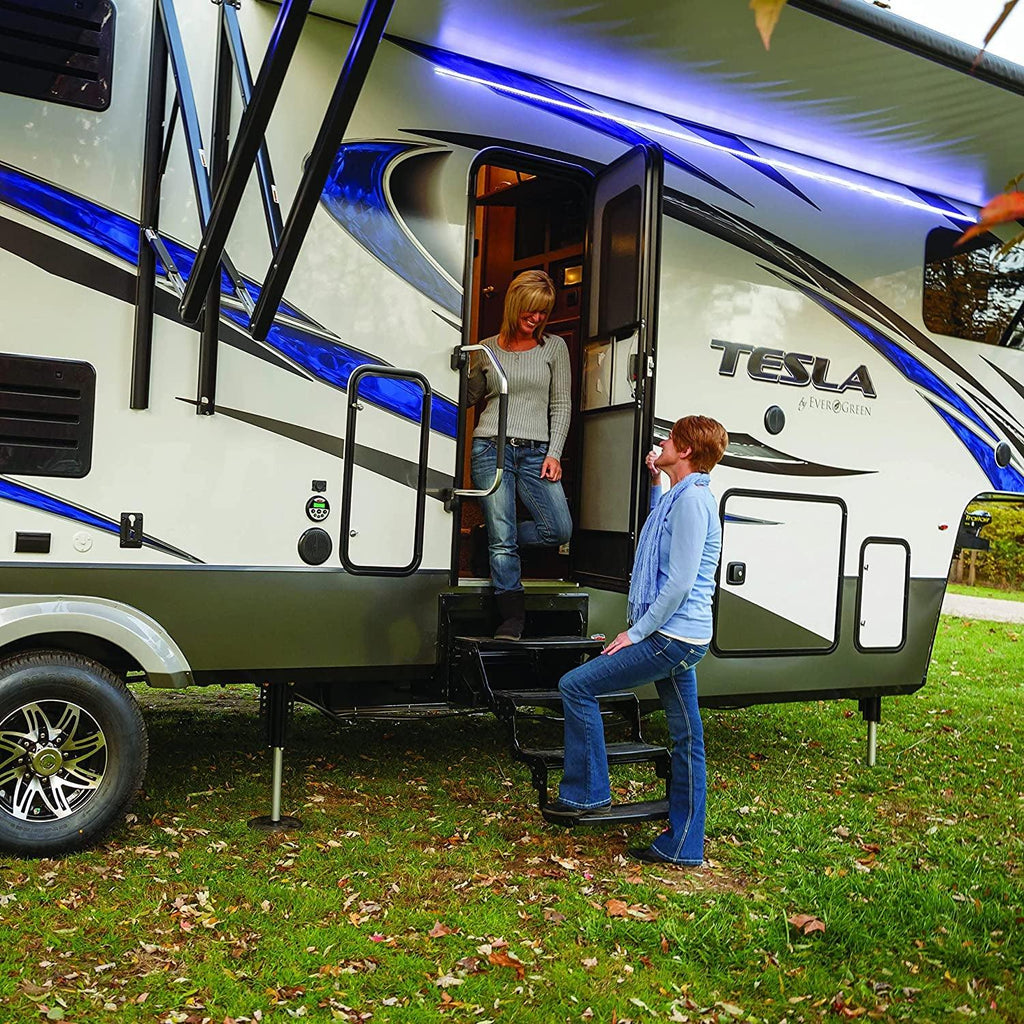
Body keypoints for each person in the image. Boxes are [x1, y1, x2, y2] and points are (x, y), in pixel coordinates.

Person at [544, 415, 729, 866]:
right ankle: (684, 845)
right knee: (688, 738)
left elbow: (679, 581)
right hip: (683, 635)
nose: (662, 443)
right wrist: (655, 481)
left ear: (685, 450)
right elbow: (660, 528)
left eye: (670, 439)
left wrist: (636, 633)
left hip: (671, 637)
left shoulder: (691, 502)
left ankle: (587, 793)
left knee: (576, 686)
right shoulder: (683, 496)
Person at [467, 270, 572, 641]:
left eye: (544, 311)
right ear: (515, 305)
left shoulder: (554, 348)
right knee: (504, 540)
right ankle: (512, 617)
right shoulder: (486, 348)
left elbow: (561, 404)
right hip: (489, 447)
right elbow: (468, 398)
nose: (537, 317)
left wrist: (554, 453)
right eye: (531, 309)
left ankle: (488, 535)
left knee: (558, 529)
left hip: (535, 452)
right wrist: (468, 371)